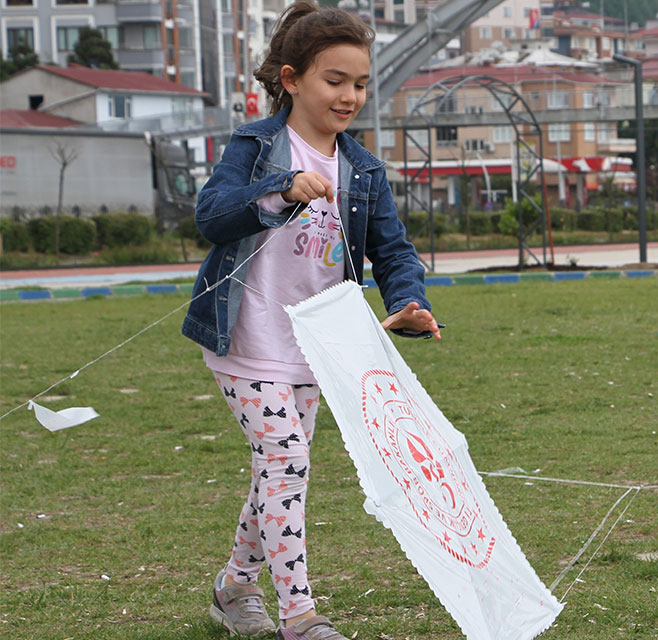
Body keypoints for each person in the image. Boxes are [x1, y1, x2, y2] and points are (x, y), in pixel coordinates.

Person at [180, 3, 441, 638]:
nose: (350, 96)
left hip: (316, 347)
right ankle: (299, 618)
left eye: (360, 83)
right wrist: (278, 188)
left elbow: (393, 251)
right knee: (287, 459)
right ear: (292, 80)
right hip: (245, 338)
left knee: (279, 469)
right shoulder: (254, 146)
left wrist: (407, 302)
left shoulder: (364, 169)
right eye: (335, 80)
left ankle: (233, 589)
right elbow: (211, 215)